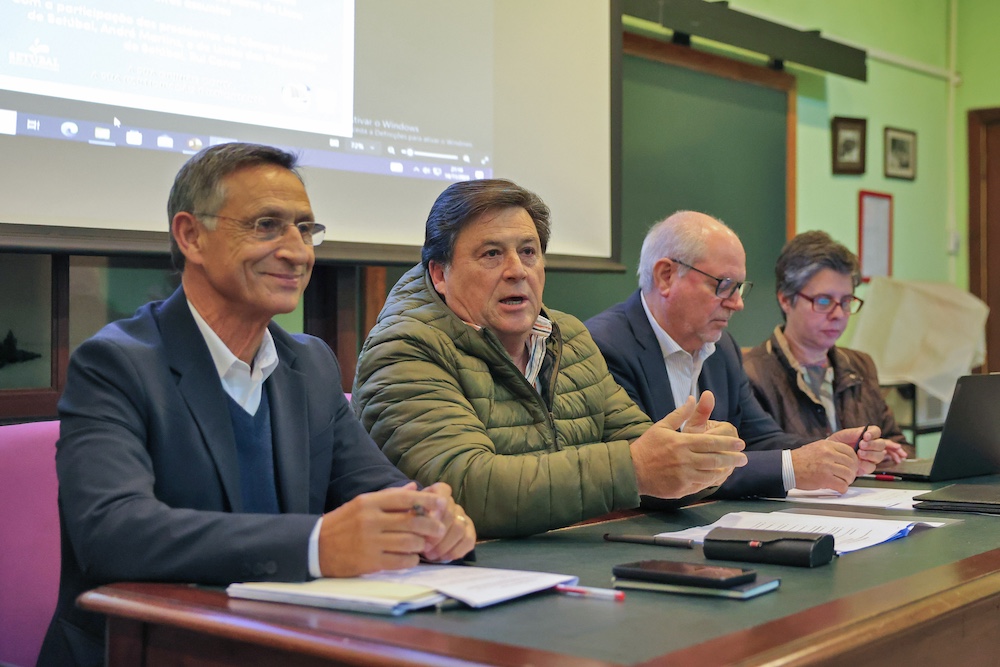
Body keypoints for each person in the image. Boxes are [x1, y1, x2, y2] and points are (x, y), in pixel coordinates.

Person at [39, 143, 475, 667]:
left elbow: (381, 490)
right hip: (149, 650)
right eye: (267, 225)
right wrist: (316, 543)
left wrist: (430, 519)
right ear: (190, 235)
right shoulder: (115, 363)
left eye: (306, 229)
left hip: (283, 643)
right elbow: (113, 531)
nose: (298, 251)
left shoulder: (310, 365)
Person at [352, 179, 747, 538]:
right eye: (491, 254)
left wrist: (695, 458)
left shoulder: (569, 337)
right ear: (440, 274)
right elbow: (466, 486)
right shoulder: (404, 347)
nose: (516, 271)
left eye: (528, 252)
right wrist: (634, 468)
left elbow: (642, 451)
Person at [585, 211, 888, 500]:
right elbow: (660, 470)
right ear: (666, 276)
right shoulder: (604, 348)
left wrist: (830, 450)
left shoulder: (721, 348)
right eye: (724, 285)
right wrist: (791, 468)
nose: (737, 304)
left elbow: (760, 438)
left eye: (739, 288)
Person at [743, 230, 913, 459]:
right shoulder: (751, 373)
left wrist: (882, 453)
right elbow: (756, 457)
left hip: (867, 494)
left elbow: (899, 446)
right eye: (824, 301)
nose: (839, 314)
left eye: (846, 301)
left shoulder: (861, 365)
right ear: (785, 299)